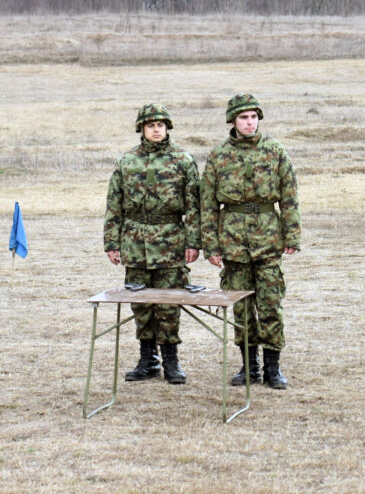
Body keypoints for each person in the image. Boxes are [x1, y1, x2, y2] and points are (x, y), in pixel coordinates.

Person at [201, 93, 301, 390]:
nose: (249, 122)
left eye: (253, 117)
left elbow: (290, 196)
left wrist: (292, 235)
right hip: (232, 239)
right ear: (232, 120)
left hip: (268, 238)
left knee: (270, 304)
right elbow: (207, 204)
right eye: (243, 118)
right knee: (241, 306)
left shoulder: (275, 151)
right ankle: (248, 366)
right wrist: (211, 245)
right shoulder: (219, 155)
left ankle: (273, 368)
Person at [104, 103, 199, 385]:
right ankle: (147, 360)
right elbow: (114, 205)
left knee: (169, 303)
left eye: (161, 125)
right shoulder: (127, 162)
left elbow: (195, 206)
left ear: (167, 128)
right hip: (135, 241)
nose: (156, 130)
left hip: (171, 239)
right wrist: (112, 242)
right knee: (141, 303)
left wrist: (194, 242)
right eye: (150, 126)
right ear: (141, 129)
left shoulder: (183, 160)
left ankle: (171, 361)